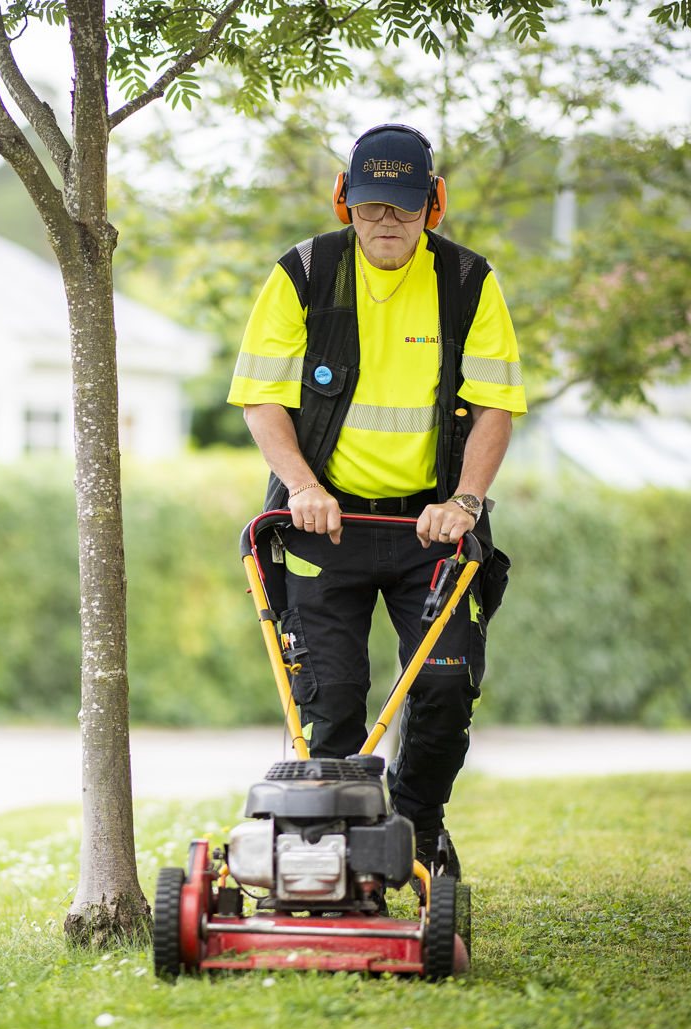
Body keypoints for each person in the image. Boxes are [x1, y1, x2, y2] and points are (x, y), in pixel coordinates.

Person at [228, 123, 527, 880]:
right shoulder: (302, 274)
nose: (385, 223)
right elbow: (261, 399)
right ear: (343, 203)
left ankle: (419, 827)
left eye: (401, 207)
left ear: (433, 205)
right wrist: (302, 486)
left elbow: (495, 405)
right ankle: (330, 868)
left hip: (432, 527)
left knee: (444, 686)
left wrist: (465, 500)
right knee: (330, 707)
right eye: (370, 207)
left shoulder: (467, 282)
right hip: (321, 523)